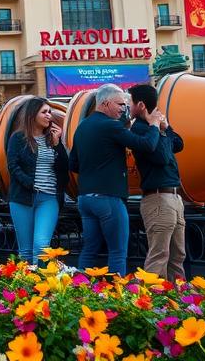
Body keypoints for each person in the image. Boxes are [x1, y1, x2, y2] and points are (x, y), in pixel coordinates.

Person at [69, 83, 162, 275]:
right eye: (120, 104)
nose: (123, 109)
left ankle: (78, 292)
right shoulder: (110, 126)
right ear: (105, 103)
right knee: (118, 252)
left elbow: (73, 165)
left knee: (89, 250)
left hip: (85, 198)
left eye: (125, 105)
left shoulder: (82, 127)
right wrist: (154, 125)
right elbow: (147, 145)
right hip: (108, 198)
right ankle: (116, 298)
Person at [128, 84, 186, 281]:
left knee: (178, 255)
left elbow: (179, 144)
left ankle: (180, 300)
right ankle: (149, 303)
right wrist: (158, 130)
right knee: (159, 255)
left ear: (141, 104)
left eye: (130, 101)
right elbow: (161, 157)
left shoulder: (157, 129)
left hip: (173, 197)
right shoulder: (138, 128)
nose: (128, 105)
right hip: (158, 198)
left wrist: (166, 128)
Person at [7, 98, 70, 264]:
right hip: (22, 198)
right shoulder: (18, 138)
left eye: (49, 112)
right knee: (26, 251)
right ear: (32, 114)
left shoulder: (52, 139)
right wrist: (30, 183)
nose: (49, 115)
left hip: (48, 198)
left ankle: (41, 285)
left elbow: (64, 169)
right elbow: (13, 166)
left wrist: (58, 144)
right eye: (44, 112)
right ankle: (28, 288)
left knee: (41, 245)